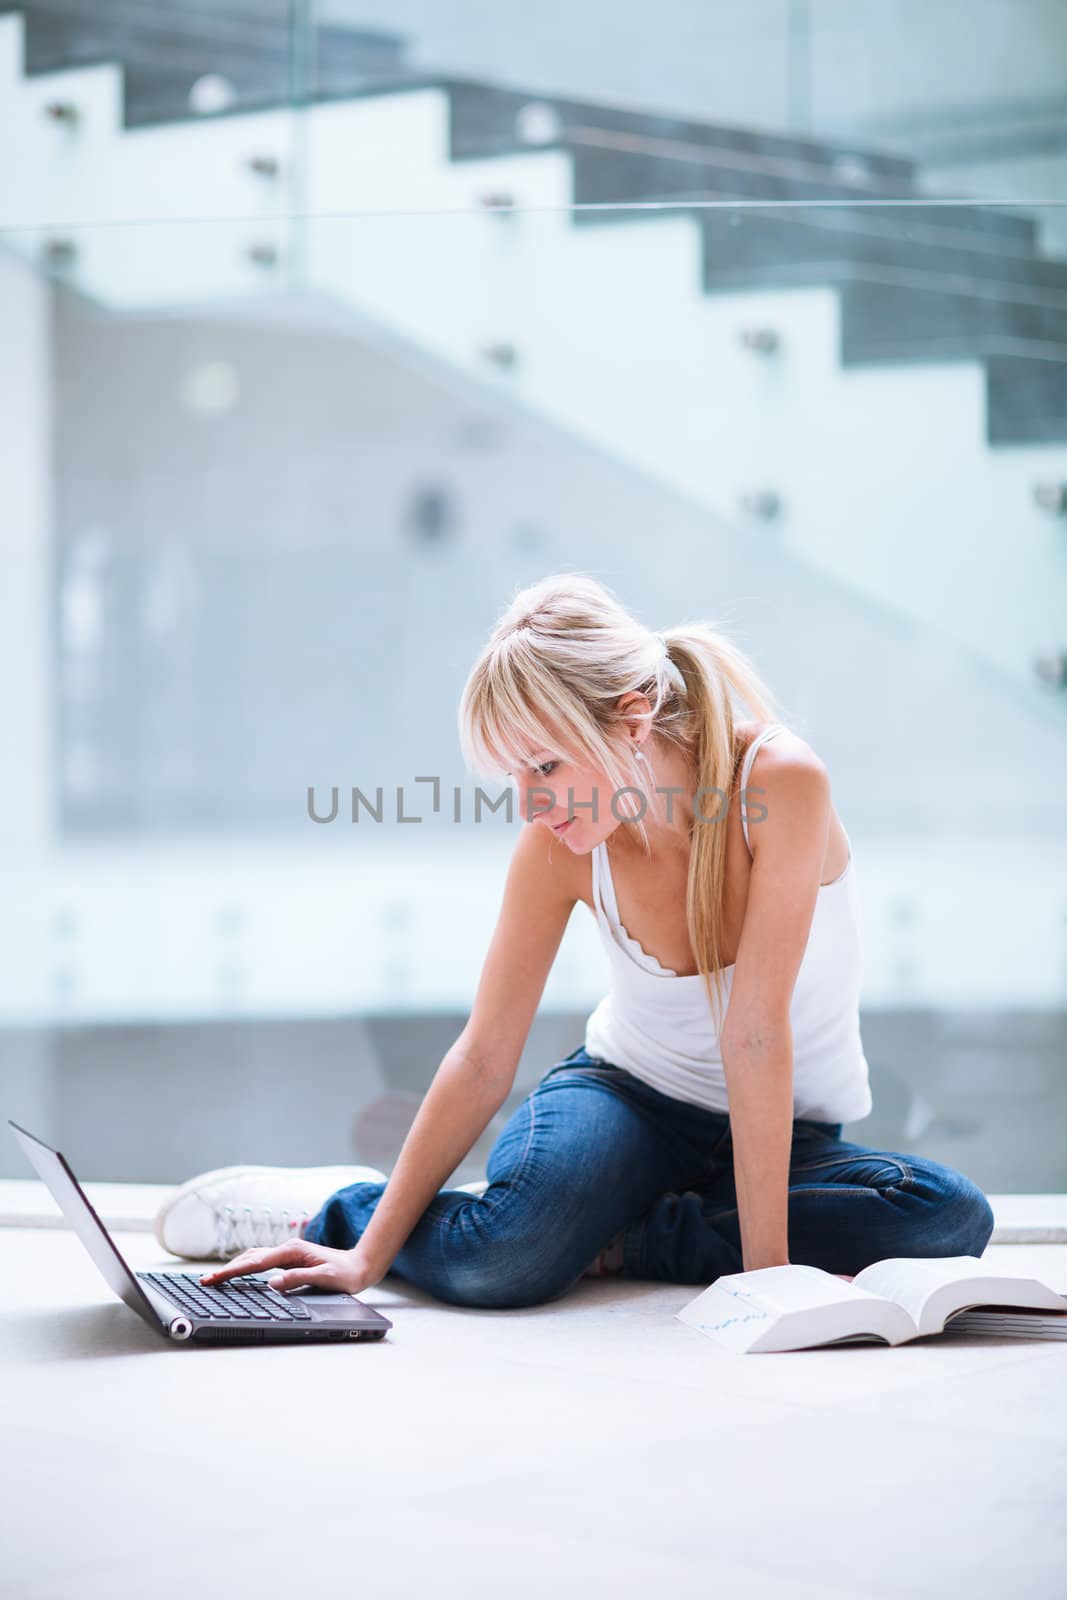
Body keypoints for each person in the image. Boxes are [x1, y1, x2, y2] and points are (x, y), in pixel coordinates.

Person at [155, 572, 994, 1308]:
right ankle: (350, 1210)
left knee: (948, 1217)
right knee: (501, 1265)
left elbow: (755, 1030)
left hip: (785, 1125)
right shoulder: (558, 847)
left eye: (545, 768)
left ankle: (609, 1232)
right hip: (624, 1100)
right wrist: (367, 1256)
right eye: (513, 776)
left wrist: (766, 1278)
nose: (528, 802)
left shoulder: (778, 783)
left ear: (631, 720)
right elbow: (485, 1056)